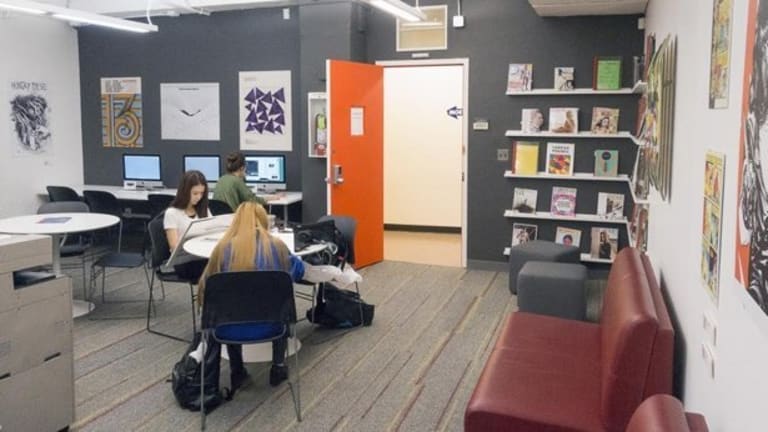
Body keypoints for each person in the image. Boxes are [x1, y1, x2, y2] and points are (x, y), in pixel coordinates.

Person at [197, 202, 305, 390]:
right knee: (278, 303)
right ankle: (278, 367)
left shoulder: (222, 249)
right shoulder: (277, 246)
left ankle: (236, 370)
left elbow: (205, 289)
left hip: (228, 329)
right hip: (272, 326)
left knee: (230, 305)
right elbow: (297, 273)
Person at [163, 170, 211, 281]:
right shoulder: (172, 213)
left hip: (202, 256)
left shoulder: (204, 210)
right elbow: (174, 247)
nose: (199, 197)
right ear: (185, 192)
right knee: (219, 269)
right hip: (184, 262)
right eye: (195, 193)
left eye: (202, 193)